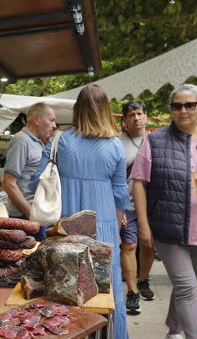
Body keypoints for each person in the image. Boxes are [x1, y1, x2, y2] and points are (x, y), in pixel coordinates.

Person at [131, 84, 197, 339]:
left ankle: (174, 329)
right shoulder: (154, 140)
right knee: (188, 286)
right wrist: (144, 225)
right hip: (168, 228)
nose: (183, 110)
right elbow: (138, 183)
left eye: (190, 105)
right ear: (171, 109)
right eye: (177, 105)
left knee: (183, 286)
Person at [35, 83, 129, 339]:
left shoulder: (59, 140)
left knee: (64, 285)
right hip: (104, 222)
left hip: (67, 221)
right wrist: (121, 214)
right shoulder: (115, 146)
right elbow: (121, 191)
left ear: (77, 110)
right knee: (106, 287)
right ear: (106, 110)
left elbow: (37, 178)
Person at [118, 101, 155, 315]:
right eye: (131, 115)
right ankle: (132, 291)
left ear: (146, 116)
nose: (136, 118)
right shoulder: (118, 143)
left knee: (149, 246)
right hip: (128, 204)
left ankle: (143, 279)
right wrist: (119, 206)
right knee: (129, 246)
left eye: (140, 113)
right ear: (124, 120)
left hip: (155, 205)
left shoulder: (157, 140)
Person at [2, 102, 57, 240]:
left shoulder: (37, 142)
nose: (54, 125)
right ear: (36, 119)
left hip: (37, 216)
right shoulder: (21, 141)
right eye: (51, 120)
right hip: (25, 218)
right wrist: (31, 214)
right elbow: (8, 183)